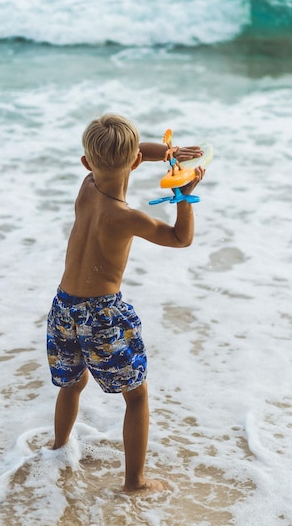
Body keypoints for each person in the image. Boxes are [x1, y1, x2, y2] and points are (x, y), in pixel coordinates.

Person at [46, 113, 205, 493]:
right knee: (136, 398)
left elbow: (131, 154)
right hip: (103, 315)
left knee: (71, 384)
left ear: (87, 163)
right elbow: (181, 239)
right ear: (136, 162)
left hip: (63, 308)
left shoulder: (86, 187)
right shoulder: (126, 217)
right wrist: (182, 193)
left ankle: (57, 448)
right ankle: (135, 482)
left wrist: (167, 152)